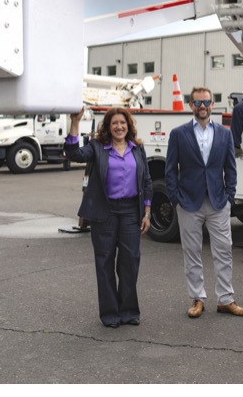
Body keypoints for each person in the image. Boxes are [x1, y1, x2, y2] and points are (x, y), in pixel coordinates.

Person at [165, 86, 243, 318]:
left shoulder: (224, 133)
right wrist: (175, 198)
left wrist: (229, 197)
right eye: (198, 103)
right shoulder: (178, 134)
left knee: (223, 251)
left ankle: (226, 299)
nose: (202, 107)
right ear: (191, 105)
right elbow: (170, 170)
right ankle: (197, 298)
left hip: (218, 202)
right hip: (188, 202)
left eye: (206, 103)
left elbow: (230, 169)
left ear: (213, 105)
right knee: (191, 252)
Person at [64, 107, 152, 328]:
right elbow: (74, 154)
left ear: (128, 125)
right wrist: (75, 123)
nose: (119, 127)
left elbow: (147, 181)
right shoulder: (97, 148)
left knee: (130, 262)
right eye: (114, 123)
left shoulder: (137, 149)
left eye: (123, 123)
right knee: (104, 262)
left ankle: (129, 311)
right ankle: (110, 313)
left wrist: (147, 212)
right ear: (108, 126)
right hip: (105, 211)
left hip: (131, 211)